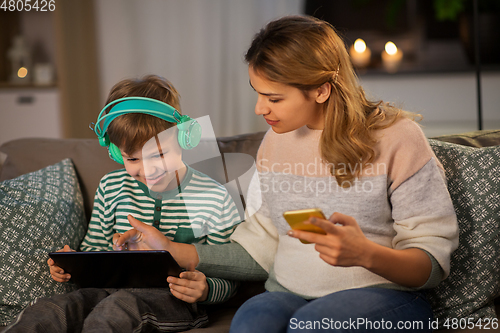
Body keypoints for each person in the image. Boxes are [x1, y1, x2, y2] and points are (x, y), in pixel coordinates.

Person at [114, 16, 459, 333]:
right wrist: (170, 249)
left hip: (390, 297)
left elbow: (431, 262)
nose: (260, 108)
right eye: (258, 94)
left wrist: (365, 254)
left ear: (321, 89)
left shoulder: (398, 137)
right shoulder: (275, 144)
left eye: (274, 98)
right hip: (290, 293)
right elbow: (261, 247)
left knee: (311, 324)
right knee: (250, 324)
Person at [5, 75, 242, 333]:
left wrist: (206, 289)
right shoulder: (111, 186)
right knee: (53, 309)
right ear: (117, 153)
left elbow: (231, 275)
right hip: (107, 291)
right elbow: (94, 248)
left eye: (159, 154)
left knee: (117, 309)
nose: (149, 169)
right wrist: (72, 265)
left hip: (174, 302)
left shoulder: (216, 196)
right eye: (132, 159)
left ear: (185, 139)